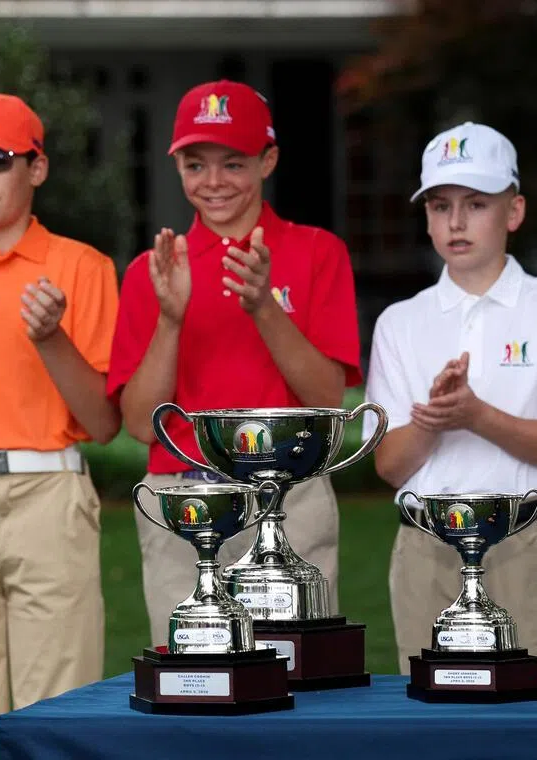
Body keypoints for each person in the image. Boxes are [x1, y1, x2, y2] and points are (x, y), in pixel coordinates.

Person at [106, 80, 363, 648]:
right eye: (196, 164)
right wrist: (171, 318)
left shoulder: (317, 252)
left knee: (296, 671)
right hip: (184, 498)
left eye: (234, 163)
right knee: (192, 678)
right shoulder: (153, 270)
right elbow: (139, 423)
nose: (214, 181)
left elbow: (328, 400)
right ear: (177, 167)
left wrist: (264, 307)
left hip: (290, 496)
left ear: (268, 160)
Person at [363, 121, 537, 679]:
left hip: (524, 544)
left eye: (476, 204)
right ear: (427, 217)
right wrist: (435, 420)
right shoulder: (400, 321)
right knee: (432, 712)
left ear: (514, 212)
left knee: (532, 707)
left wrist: (476, 414)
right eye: (440, 206)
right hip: (427, 548)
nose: (456, 222)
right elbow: (390, 465)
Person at [0, 93, 120, 760]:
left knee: (59, 714)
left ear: (36, 168)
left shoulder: (85, 267)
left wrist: (50, 338)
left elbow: (103, 421)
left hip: (50, 496)